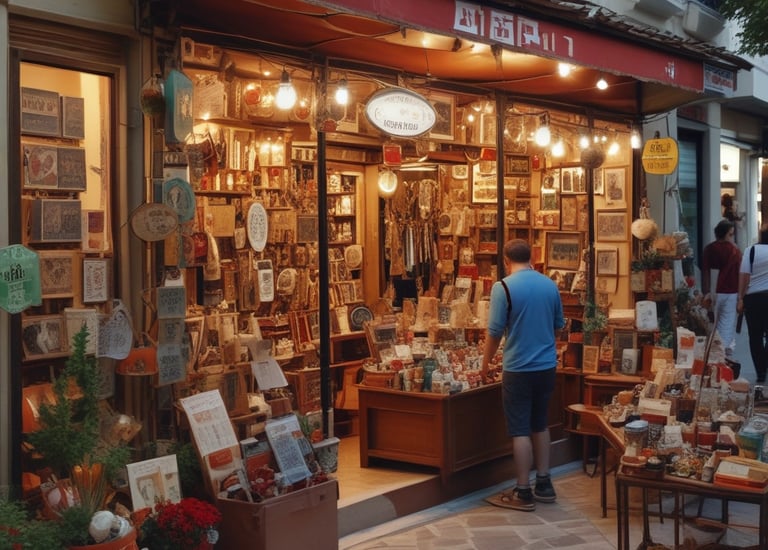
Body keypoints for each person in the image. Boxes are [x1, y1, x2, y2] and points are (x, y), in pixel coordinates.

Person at [481, 239, 565, 511]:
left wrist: (485, 363)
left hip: (517, 367)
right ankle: (545, 482)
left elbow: (494, 333)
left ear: (506, 260)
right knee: (540, 424)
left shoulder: (502, 287)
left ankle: (523, 489)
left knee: (519, 429)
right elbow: (558, 327)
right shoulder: (549, 285)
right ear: (531, 258)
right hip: (546, 366)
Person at [701, 219, 741, 360]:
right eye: (731, 234)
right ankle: (723, 354)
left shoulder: (709, 249)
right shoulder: (734, 251)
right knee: (727, 323)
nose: (732, 237)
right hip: (730, 290)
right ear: (726, 234)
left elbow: (705, 270)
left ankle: (712, 352)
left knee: (712, 323)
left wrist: (706, 291)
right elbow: (739, 272)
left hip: (713, 291)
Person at [737, 227, 768, 383]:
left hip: (754, 299)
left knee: (755, 337)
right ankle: (765, 364)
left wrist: (740, 298)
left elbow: (744, 276)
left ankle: (761, 371)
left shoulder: (751, 251)